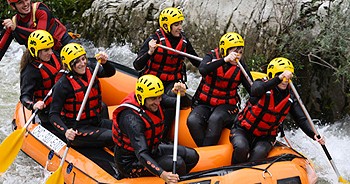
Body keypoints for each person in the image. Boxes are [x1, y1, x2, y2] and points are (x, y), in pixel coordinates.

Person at [230, 57, 325, 164]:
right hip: (243, 130)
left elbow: (301, 119)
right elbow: (255, 90)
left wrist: (313, 134)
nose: (285, 81)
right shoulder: (260, 84)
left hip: (266, 137)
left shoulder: (291, 96)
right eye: (281, 76)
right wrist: (279, 78)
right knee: (241, 148)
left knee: (258, 154)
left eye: (287, 77)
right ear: (273, 75)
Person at [112, 74, 199, 183]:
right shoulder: (131, 119)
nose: (158, 102)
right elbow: (142, 154)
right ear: (141, 97)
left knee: (192, 156)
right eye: (154, 99)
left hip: (153, 150)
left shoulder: (154, 100)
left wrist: (182, 95)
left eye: (159, 97)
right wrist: (163, 174)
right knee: (178, 163)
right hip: (131, 163)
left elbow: (183, 104)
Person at [187, 32, 252, 147]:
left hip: (227, 107)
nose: (237, 56)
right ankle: (206, 151)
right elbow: (202, 69)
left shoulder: (241, 66)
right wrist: (225, 60)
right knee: (192, 120)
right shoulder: (211, 56)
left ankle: (205, 153)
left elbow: (252, 91)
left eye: (240, 53)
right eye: (234, 52)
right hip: (205, 103)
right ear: (224, 51)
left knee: (215, 119)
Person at [49, 43, 115, 148]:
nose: (82, 63)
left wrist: (105, 63)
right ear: (69, 65)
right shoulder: (63, 85)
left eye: (83, 59)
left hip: (96, 122)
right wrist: (66, 131)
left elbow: (110, 72)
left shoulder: (91, 68)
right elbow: (53, 115)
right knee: (114, 135)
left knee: (124, 129)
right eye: (77, 62)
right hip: (78, 129)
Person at [133, 7, 200, 96]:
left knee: (173, 96)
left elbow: (197, 62)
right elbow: (137, 66)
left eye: (181, 24)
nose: (180, 28)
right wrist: (150, 52)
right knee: (161, 98)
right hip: (153, 81)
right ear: (166, 26)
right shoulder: (154, 40)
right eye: (176, 25)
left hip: (172, 82)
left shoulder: (184, 42)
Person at [20, 29, 63, 138]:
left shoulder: (54, 57)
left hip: (63, 102)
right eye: (46, 50)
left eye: (51, 48)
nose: (51, 52)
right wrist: (33, 105)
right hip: (47, 110)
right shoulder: (30, 71)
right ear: (36, 51)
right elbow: (24, 96)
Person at [0, 0, 72, 61]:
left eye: (26, 0)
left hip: (63, 45)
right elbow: (1, 47)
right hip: (42, 55)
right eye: (20, 2)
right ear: (13, 6)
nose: (25, 4)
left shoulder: (41, 10)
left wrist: (17, 28)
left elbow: (41, 35)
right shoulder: (14, 22)